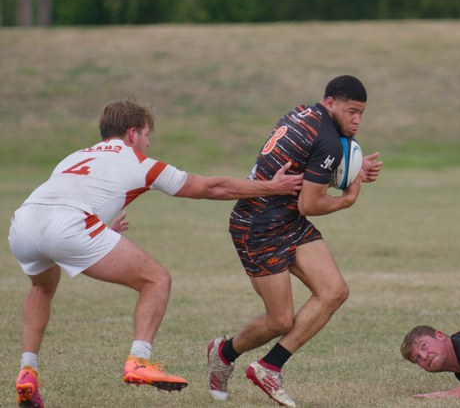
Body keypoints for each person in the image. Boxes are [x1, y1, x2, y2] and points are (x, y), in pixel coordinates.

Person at [8, 98, 304, 408]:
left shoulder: (75, 156)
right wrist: (272, 187)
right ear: (132, 133)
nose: (148, 143)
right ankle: (139, 360)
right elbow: (210, 188)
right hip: (71, 227)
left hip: (24, 224)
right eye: (147, 135)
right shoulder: (139, 162)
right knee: (156, 280)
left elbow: (67, 199)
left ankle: (28, 369)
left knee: (41, 287)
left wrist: (100, 229)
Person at [205, 75, 382, 407]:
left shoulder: (303, 113)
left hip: (287, 220)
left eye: (361, 113)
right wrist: (346, 199)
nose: (357, 120)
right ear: (330, 103)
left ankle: (269, 367)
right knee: (280, 320)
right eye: (351, 112)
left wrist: (355, 167)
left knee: (334, 291)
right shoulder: (328, 140)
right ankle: (223, 352)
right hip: (258, 227)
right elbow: (310, 204)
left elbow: (312, 161)